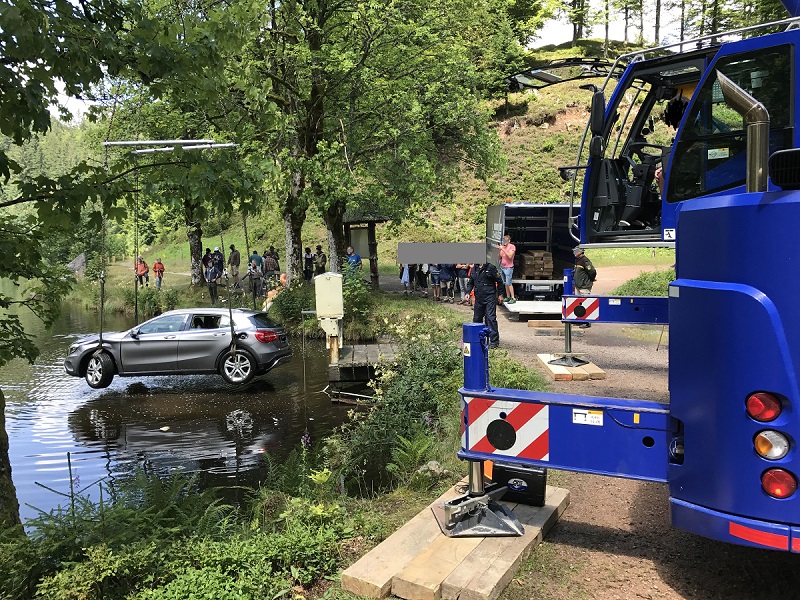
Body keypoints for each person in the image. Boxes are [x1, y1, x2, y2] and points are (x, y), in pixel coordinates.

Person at [465, 262, 504, 348]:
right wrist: (467, 292)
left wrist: (500, 294)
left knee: (490, 318)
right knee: (477, 319)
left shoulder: (490, 267)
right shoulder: (474, 268)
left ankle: (494, 341)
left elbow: (499, 281)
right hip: (479, 297)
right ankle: (477, 339)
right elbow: (471, 282)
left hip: (490, 296)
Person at [573, 247, 597, 329]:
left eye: (575, 251)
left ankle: (587, 322)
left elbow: (592, 271)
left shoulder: (585, 260)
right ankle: (580, 320)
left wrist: (591, 279)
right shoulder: (578, 260)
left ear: (580, 252)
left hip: (584, 286)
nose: (574, 253)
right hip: (579, 286)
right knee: (579, 304)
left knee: (586, 304)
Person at [497, 234, 516, 304]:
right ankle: (508, 297)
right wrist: (499, 250)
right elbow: (499, 258)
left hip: (509, 267)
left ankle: (513, 297)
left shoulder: (512, 247)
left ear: (509, 241)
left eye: (505, 240)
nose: (504, 242)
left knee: (509, 282)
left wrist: (503, 249)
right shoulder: (503, 247)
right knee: (505, 283)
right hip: (502, 267)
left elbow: (510, 256)